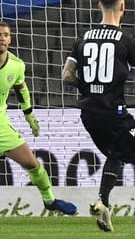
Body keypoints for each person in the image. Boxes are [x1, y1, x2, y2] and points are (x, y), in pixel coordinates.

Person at [62, 0, 135, 233]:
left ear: (99, 5)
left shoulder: (82, 38)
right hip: (115, 113)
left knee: (117, 154)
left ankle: (102, 202)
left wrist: (90, 88)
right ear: (122, 7)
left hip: (88, 114)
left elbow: (66, 76)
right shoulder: (128, 42)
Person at [0, 22, 77, 216]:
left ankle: (50, 200)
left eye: (6, 34)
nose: (2, 37)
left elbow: (21, 88)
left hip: (1, 126)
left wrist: (29, 115)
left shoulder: (16, 65)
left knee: (32, 164)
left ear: (10, 39)